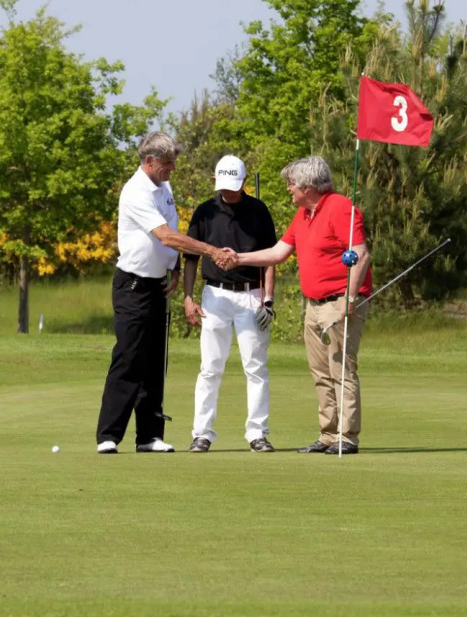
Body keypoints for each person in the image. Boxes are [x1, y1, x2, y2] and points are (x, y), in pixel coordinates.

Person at [96, 132, 237, 454]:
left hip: (157, 284)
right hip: (133, 284)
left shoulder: (164, 187)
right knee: (129, 357)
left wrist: (174, 268)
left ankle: (149, 436)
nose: (173, 168)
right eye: (168, 163)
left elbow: (171, 231)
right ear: (149, 161)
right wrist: (212, 251)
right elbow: (166, 236)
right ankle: (108, 435)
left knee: (154, 360)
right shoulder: (136, 191)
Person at [231, 155, 371, 454]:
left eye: (291, 183)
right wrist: (237, 258)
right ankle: (328, 435)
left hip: (339, 302)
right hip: (314, 305)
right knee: (320, 371)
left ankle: (347, 437)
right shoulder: (303, 214)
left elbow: (360, 254)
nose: (288, 188)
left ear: (308, 186)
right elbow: (278, 253)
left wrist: (349, 297)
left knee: (341, 369)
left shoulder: (340, 207)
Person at [181, 155, 279, 452]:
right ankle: (202, 433)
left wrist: (268, 299)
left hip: (251, 294)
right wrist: (188, 297)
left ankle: (257, 432)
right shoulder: (204, 212)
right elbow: (191, 258)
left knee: (255, 366)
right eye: (224, 186)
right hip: (215, 295)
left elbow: (271, 258)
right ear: (215, 181)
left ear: (244, 181)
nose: (229, 191)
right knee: (210, 367)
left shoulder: (259, 210)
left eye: (234, 186)